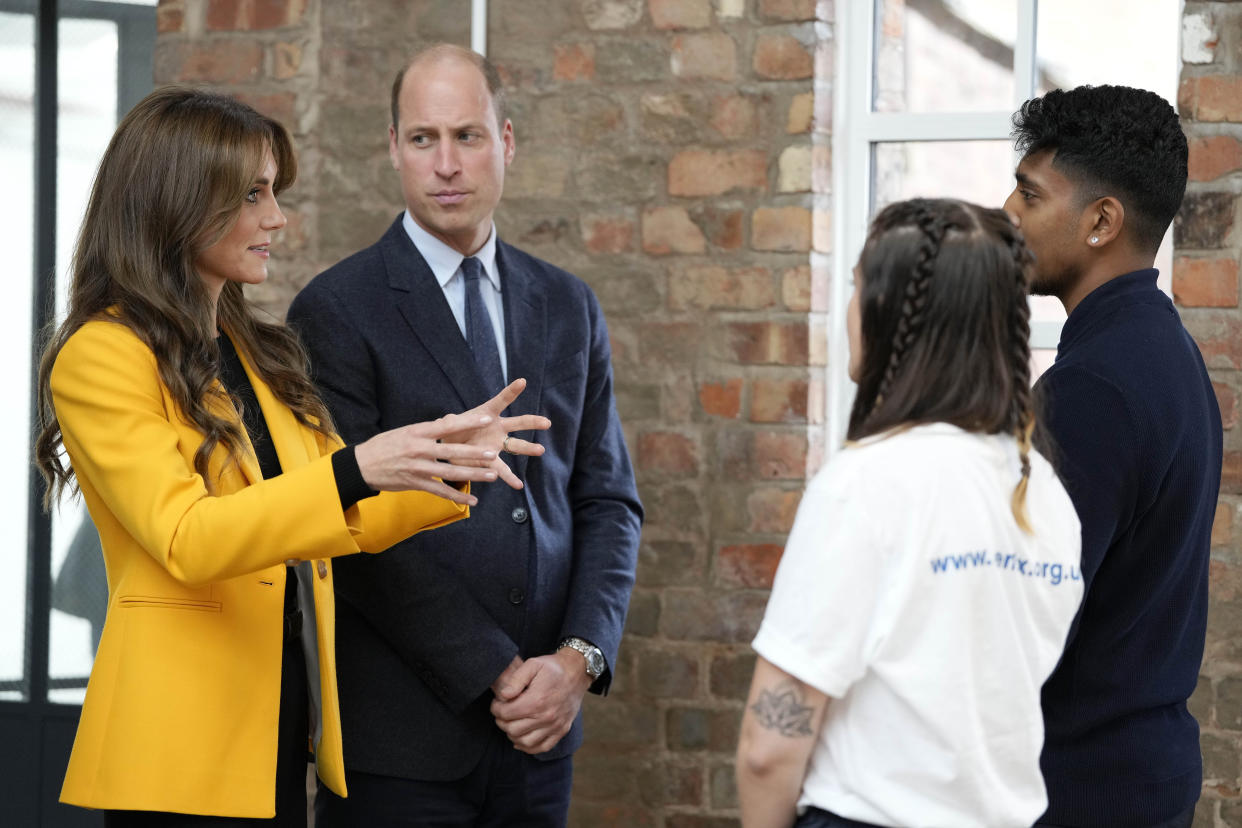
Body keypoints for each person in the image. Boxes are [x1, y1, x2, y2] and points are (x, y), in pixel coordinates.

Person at [35, 86, 549, 826]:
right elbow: (189, 537)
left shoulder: (253, 350)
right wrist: (358, 467)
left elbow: (344, 516)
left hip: (277, 723)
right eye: (252, 194)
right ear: (180, 203)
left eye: (273, 191)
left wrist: (444, 464)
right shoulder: (101, 356)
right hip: (176, 749)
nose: (275, 217)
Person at [286, 44, 642, 827]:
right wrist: (499, 671)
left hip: (540, 738)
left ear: (506, 141)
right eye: (423, 139)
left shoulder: (568, 304)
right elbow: (350, 526)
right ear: (393, 149)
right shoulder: (336, 309)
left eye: (468, 136)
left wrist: (576, 663)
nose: (446, 164)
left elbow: (607, 500)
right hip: (402, 744)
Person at [735, 198, 1083, 828]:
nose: (849, 311)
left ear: (892, 316)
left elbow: (768, 748)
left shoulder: (867, 484)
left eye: (858, 289)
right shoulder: (1046, 494)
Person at [1003, 85, 1222, 827]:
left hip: (1081, 790)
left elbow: (1024, 616)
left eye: (1030, 196)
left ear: (1101, 222)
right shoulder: (1168, 351)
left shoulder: (1092, 386)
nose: (1008, 213)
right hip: (1138, 776)